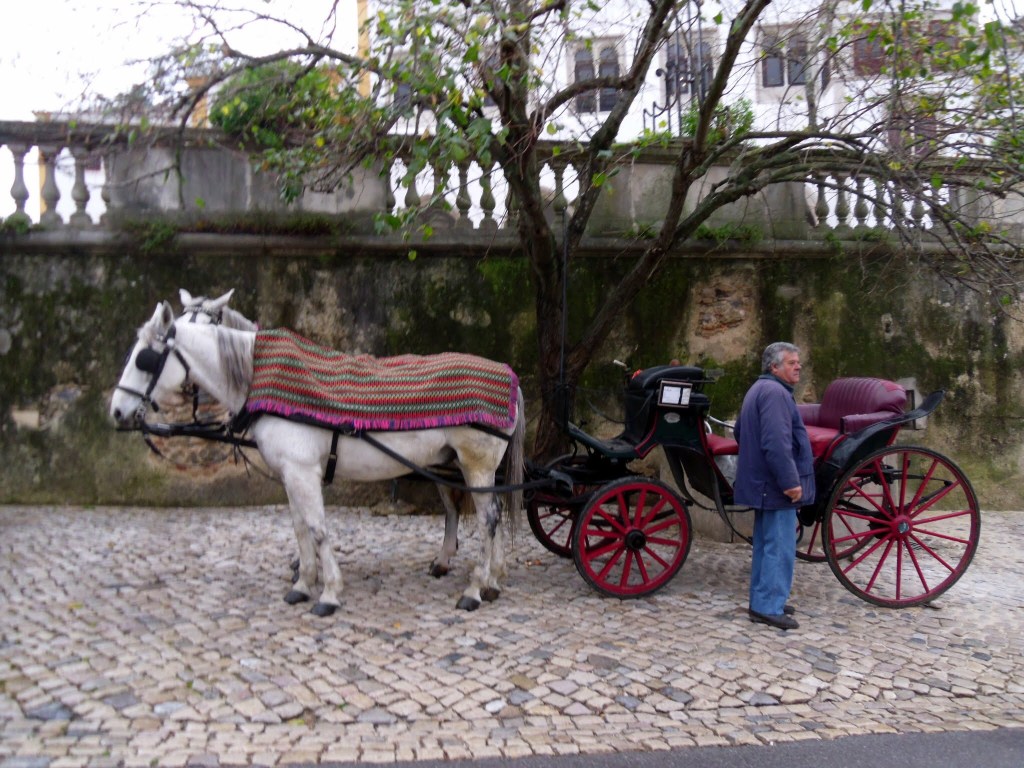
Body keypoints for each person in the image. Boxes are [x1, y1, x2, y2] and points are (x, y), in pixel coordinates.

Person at [733, 342, 815, 630]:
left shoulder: (759, 389)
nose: (798, 367)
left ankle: (763, 600)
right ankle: (768, 606)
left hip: (763, 482)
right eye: (792, 362)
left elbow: (740, 431)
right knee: (779, 547)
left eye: (798, 362)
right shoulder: (776, 394)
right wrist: (790, 482)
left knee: (767, 545)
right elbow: (777, 443)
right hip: (775, 485)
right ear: (774, 367)